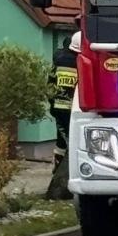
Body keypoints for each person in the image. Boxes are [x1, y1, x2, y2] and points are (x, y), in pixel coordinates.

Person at [45, 32, 78, 201]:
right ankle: (62, 179)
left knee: (61, 142)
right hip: (73, 111)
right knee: (71, 143)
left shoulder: (57, 63)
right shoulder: (79, 62)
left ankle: (57, 171)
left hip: (58, 108)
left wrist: (51, 104)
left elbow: (49, 85)